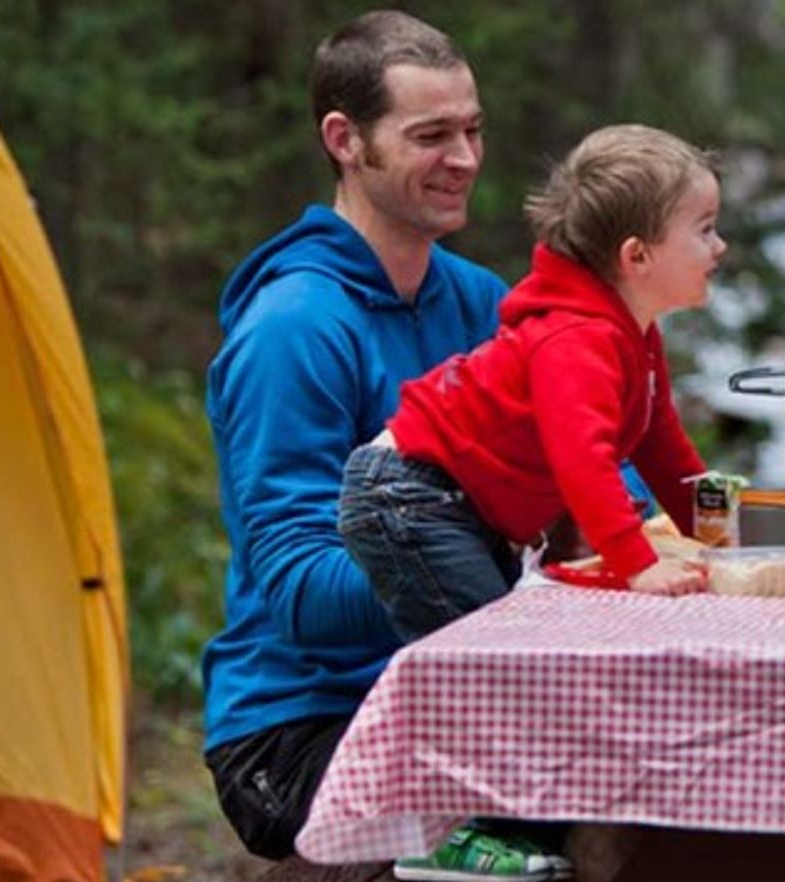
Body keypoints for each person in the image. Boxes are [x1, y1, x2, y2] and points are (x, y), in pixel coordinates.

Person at [199, 9, 545, 874]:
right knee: (565, 840)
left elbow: (593, 459)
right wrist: (495, 559)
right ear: (345, 140)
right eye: (431, 135)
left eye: (472, 130)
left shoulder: (478, 302)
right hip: (300, 725)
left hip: (447, 694)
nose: (464, 159)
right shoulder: (295, 327)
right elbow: (300, 592)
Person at [337, 121, 720, 652]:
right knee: (496, 658)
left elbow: (661, 446)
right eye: (704, 230)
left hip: (454, 502)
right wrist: (639, 564)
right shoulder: (576, 339)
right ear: (637, 257)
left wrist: (717, 534)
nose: (718, 247)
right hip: (410, 495)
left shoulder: (634, 331)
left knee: (510, 652)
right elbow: (583, 459)